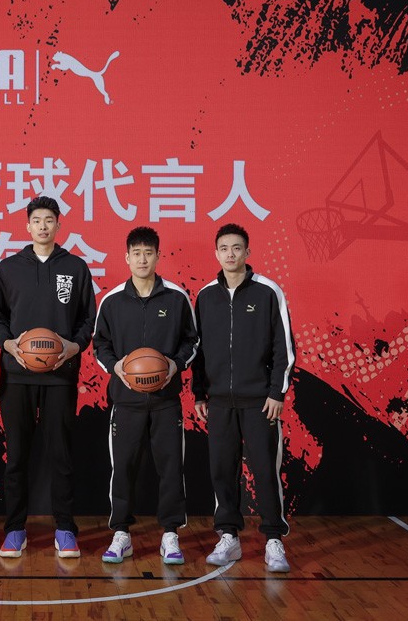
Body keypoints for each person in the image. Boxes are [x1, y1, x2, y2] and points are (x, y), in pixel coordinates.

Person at [0, 196, 97, 558]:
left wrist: (73, 346)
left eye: (49, 220)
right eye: (36, 220)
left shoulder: (75, 267)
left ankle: (65, 528)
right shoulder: (8, 268)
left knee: (61, 455)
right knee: (17, 457)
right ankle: (14, 529)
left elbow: (87, 319)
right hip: (17, 376)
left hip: (60, 375)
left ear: (58, 225)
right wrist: (9, 345)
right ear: (27, 226)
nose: (42, 226)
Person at [191, 222, 294, 573]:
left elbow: (284, 348)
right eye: (224, 248)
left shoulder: (268, 291)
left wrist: (277, 392)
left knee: (265, 471)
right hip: (219, 401)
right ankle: (228, 537)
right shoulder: (206, 296)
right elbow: (198, 350)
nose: (230, 254)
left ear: (247, 252)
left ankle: (274, 539)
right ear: (216, 253)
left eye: (237, 248)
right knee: (222, 471)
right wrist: (199, 392)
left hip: (259, 401)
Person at [93, 226, 199, 564]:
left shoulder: (176, 297)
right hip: (125, 401)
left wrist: (175, 364)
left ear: (157, 256)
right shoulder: (112, 301)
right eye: (136, 253)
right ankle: (121, 533)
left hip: (166, 401)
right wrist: (116, 366)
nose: (142, 259)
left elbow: (192, 341)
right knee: (123, 467)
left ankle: (170, 533)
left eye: (148, 253)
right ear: (126, 257)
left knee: (171, 467)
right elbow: (100, 345)